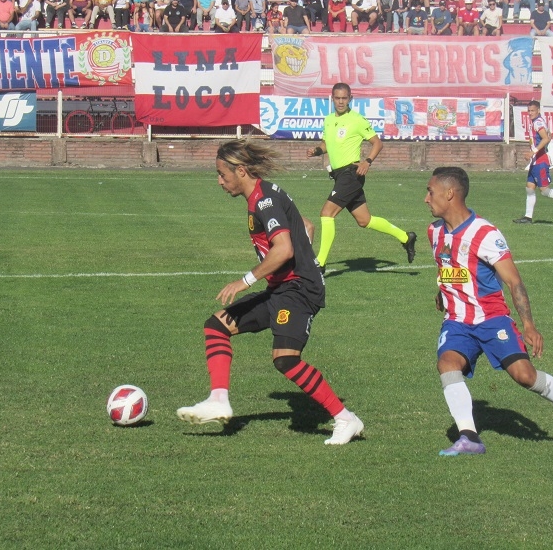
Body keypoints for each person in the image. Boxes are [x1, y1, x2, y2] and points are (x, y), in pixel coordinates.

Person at [176, 140, 364, 446]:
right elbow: (304, 224)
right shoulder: (263, 197)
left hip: (299, 289)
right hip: (283, 288)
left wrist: (245, 280)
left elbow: (284, 248)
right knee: (217, 325)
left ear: (240, 171)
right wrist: (304, 241)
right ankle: (218, 399)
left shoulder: (263, 200)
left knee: (286, 359)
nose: (219, 181)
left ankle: (346, 419)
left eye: (222, 174)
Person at [425, 166, 553, 455]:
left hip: (492, 319)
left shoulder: (485, 234)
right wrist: (443, 292)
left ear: (450, 194)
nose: (426, 199)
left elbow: (513, 280)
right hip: (457, 322)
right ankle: (469, 438)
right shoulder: (434, 232)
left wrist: (529, 325)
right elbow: (449, 268)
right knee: (447, 364)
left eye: (431, 192)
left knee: (525, 376)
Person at [307, 82, 417, 272]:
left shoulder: (356, 120)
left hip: (351, 174)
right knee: (364, 220)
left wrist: (367, 161)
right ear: (332, 98)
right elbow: (327, 144)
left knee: (327, 213)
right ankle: (406, 238)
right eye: (337, 98)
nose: (341, 102)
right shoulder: (328, 120)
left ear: (350, 98)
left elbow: (377, 143)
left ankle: (320, 263)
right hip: (340, 175)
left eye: (344, 98)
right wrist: (317, 150)